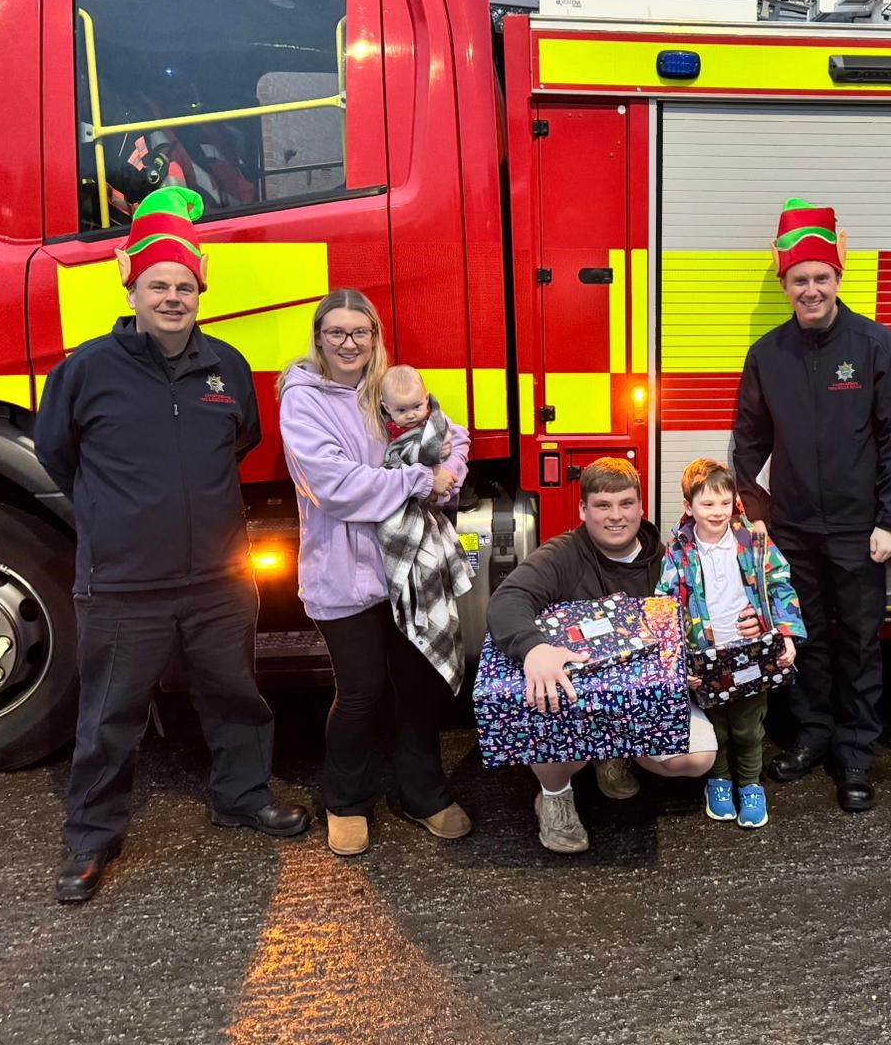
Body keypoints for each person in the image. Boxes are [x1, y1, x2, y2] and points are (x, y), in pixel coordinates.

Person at [35, 186, 308, 904]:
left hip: (220, 578)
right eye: (158, 285)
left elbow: (240, 442)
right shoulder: (87, 370)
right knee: (108, 717)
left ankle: (242, 796)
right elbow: (55, 452)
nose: (172, 298)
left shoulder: (227, 367)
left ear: (200, 291)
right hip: (126, 585)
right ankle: (91, 840)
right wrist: (121, 517)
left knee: (237, 696)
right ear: (132, 287)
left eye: (184, 286)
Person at [732, 198, 891, 813]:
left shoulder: (876, 346)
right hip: (793, 527)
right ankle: (812, 733)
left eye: (821, 277)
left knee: (861, 640)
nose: (810, 289)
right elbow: (749, 440)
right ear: (784, 284)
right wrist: (754, 511)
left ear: (839, 278)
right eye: (799, 279)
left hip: (859, 531)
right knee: (802, 635)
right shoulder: (768, 354)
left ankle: (856, 752)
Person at [277, 290, 472, 858]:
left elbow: (451, 434)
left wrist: (450, 470)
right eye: (336, 332)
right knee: (360, 691)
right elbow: (336, 488)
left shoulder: (387, 387)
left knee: (418, 685)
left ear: (375, 336)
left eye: (359, 332)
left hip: (407, 567)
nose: (348, 343)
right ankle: (346, 800)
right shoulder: (303, 399)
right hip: (345, 573)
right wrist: (419, 481)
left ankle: (422, 795)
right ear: (318, 338)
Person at [485, 458, 724, 854]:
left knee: (699, 756)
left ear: (641, 507)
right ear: (582, 510)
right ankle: (555, 795)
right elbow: (506, 600)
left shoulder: (668, 560)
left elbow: (702, 615)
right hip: (575, 702)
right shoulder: (563, 554)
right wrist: (535, 649)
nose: (616, 516)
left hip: (639, 700)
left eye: (626, 504)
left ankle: (613, 755)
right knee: (541, 703)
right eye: (603, 505)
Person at [655, 459, 804, 830]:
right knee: (716, 726)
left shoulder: (753, 541)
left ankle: (751, 785)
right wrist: (676, 664)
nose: (717, 512)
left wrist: (784, 633)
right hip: (705, 660)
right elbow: (665, 607)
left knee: (748, 725)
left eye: (724, 502)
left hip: (749, 654)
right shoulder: (677, 552)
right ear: (689, 507)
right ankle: (719, 780)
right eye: (707, 504)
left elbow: (779, 584)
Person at [374, 364, 473, 696]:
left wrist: (448, 474)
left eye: (417, 406)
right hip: (402, 511)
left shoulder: (438, 423)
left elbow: (458, 442)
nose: (412, 416)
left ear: (426, 398)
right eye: (401, 410)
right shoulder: (379, 430)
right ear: (385, 407)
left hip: (434, 505)